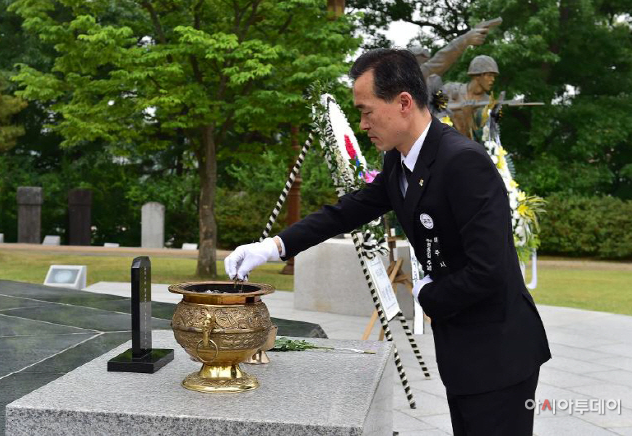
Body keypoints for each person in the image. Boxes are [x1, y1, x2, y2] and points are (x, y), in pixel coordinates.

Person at [225, 48, 551, 436]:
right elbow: (348, 211)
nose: (362, 123)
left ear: (403, 103)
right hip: (463, 347)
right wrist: (272, 246)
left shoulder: (463, 162)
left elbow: (490, 272)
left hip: (499, 352)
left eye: (366, 111)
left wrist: (427, 294)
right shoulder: (400, 159)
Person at [442, 55, 500, 140]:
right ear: (477, 76)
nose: (493, 79)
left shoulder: (489, 105)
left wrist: (468, 116)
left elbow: (483, 139)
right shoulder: (450, 89)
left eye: (494, 76)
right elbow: (429, 111)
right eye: (489, 75)